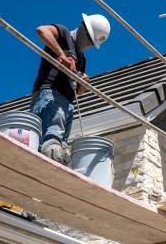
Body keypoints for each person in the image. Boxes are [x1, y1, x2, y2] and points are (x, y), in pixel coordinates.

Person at [30, 13, 110, 166]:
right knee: (50, 142)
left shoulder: (82, 59)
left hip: (68, 103)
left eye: (92, 44)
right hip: (50, 94)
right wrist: (61, 54)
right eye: (89, 40)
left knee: (61, 146)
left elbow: (77, 93)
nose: (88, 45)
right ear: (82, 28)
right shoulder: (64, 34)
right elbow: (41, 31)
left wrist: (83, 84)